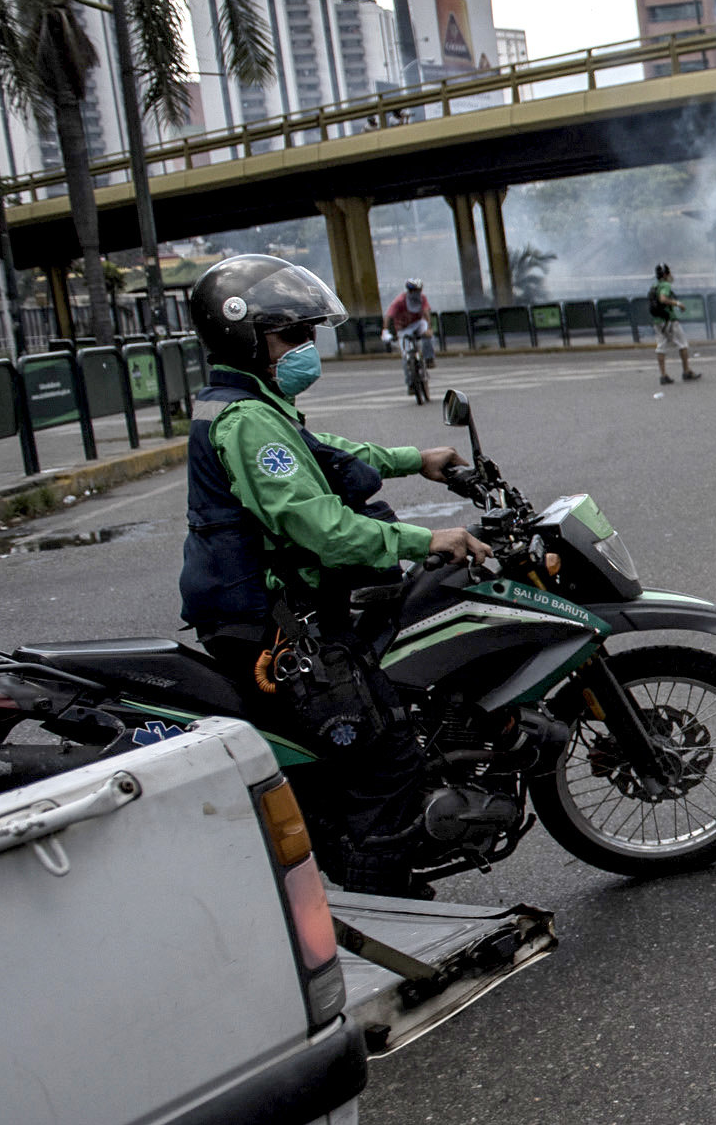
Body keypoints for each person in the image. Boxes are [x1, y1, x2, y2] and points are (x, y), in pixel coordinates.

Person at [177, 256, 491, 896]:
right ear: (245, 338)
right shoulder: (246, 422)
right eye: (290, 337)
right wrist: (424, 537)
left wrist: (416, 459)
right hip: (269, 624)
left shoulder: (252, 404)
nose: (305, 350)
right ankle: (387, 900)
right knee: (388, 755)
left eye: (308, 335)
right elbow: (315, 524)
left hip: (274, 610)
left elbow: (327, 457)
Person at [649, 263, 697, 385]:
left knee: (661, 347)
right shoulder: (665, 285)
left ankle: (663, 375)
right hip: (669, 320)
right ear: (665, 274)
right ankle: (686, 371)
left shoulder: (654, 286)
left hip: (658, 321)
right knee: (682, 344)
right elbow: (663, 299)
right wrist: (677, 304)